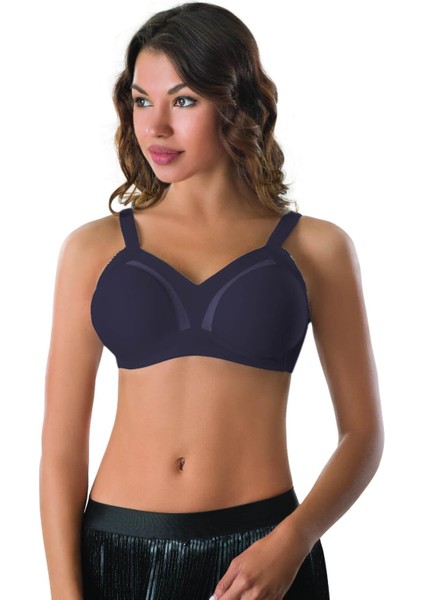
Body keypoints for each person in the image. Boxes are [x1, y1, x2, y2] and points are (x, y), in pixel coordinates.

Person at [39, 2, 384, 599]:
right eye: (141, 101)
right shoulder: (92, 249)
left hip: (262, 556)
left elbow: (363, 434)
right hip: (119, 552)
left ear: (235, 103)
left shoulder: (317, 248)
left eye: (183, 100)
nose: (155, 126)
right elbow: (60, 452)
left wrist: (294, 539)